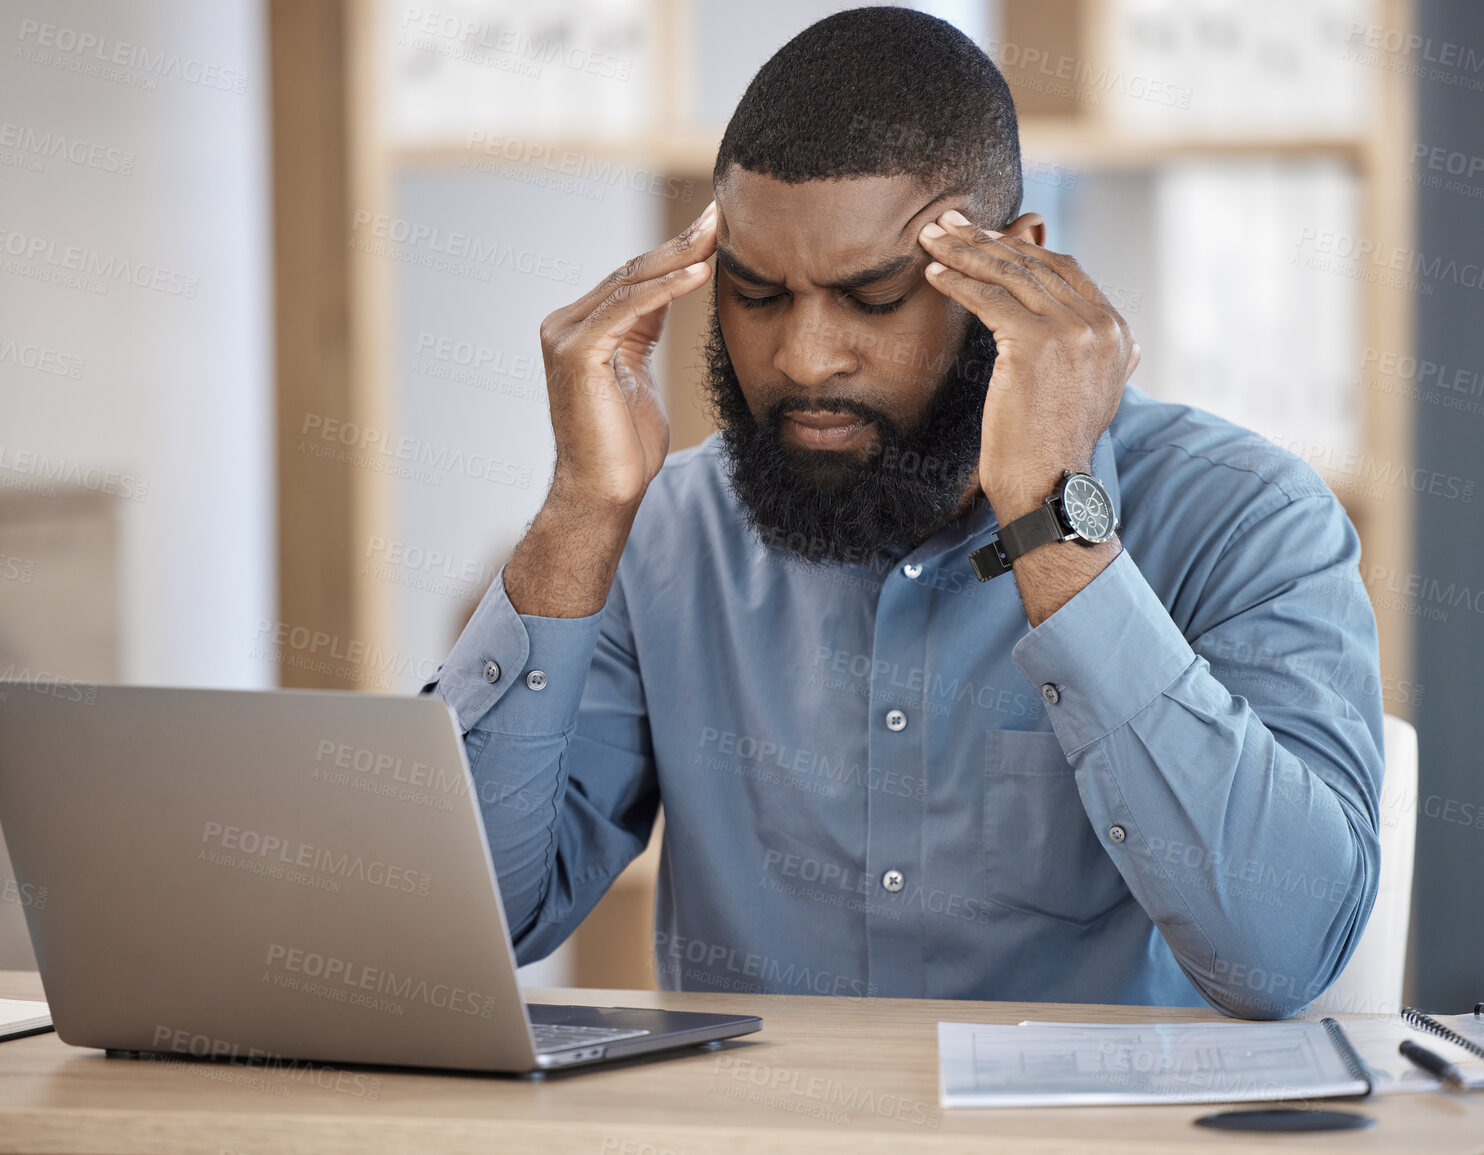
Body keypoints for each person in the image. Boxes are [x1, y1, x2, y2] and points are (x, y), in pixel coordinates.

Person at [427, 7, 1384, 1019]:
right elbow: (460, 928)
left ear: (1014, 273)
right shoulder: (667, 534)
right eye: (756, 296)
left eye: (873, 299)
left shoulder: (1246, 517)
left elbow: (1284, 957)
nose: (803, 358)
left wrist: (1054, 521)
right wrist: (582, 507)